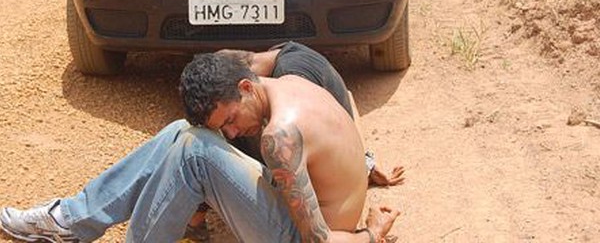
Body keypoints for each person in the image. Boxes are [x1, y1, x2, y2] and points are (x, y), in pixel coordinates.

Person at [1, 45, 403, 243]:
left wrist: (371, 234)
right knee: (183, 132)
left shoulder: (279, 136)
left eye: (229, 119)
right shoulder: (291, 81)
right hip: (304, 217)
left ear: (246, 86)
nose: (230, 132)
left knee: (196, 152)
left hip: (309, 238)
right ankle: (69, 221)